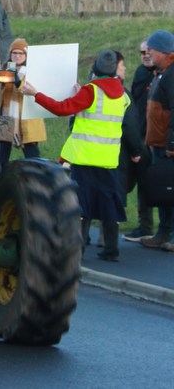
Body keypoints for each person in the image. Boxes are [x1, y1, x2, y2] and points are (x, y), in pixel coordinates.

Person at [22, 49, 129, 261]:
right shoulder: (124, 96)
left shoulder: (90, 92)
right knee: (109, 204)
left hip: (84, 158)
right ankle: (111, 250)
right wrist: (83, 95)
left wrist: (36, 94)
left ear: (96, 69)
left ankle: (77, 252)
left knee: (81, 206)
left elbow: (61, 108)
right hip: (108, 159)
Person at [138, 29, 174, 252]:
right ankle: (163, 233)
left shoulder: (171, 74)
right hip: (159, 143)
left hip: (167, 145)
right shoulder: (162, 72)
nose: (148, 52)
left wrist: (172, 143)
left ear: (162, 50)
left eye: (151, 49)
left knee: (171, 189)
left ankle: (169, 234)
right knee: (164, 190)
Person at [123, 39, 158, 241]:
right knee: (139, 182)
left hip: (158, 139)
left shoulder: (164, 75)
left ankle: (161, 229)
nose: (145, 55)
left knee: (158, 183)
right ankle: (145, 226)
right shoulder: (140, 73)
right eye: (141, 52)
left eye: (148, 51)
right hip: (140, 137)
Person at [0, 38, 46, 170]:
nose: (17, 56)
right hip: (7, 115)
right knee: (3, 153)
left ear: (26, 55)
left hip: (27, 117)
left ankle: (35, 176)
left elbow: (32, 92)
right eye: (15, 53)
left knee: (32, 153)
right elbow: (0, 94)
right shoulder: (5, 69)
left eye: (21, 53)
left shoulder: (33, 71)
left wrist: (18, 82)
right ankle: (3, 176)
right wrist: (3, 83)